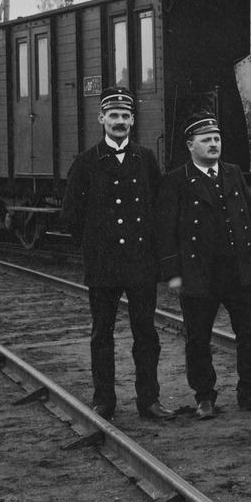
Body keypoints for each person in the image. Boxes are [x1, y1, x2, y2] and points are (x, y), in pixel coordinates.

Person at [156, 112, 251, 420]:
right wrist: (173, 274)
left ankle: (250, 392)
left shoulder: (232, 172)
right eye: (206, 140)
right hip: (199, 272)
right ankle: (204, 397)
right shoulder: (176, 180)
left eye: (216, 139)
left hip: (238, 269)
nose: (213, 144)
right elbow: (165, 230)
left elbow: (249, 216)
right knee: (198, 338)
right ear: (190, 145)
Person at [62, 86, 176, 421]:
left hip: (141, 264)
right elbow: (70, 216)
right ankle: (104, 401)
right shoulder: (86, 162)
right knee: (102, 335)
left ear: (133, 120)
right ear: (101, 118)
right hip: (104, 265)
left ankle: (149, 400)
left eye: (126, 116)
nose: (120, 121)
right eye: (113, 115)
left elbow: (160, 208)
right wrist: (95, 245)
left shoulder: (146, 159)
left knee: (146, 334)